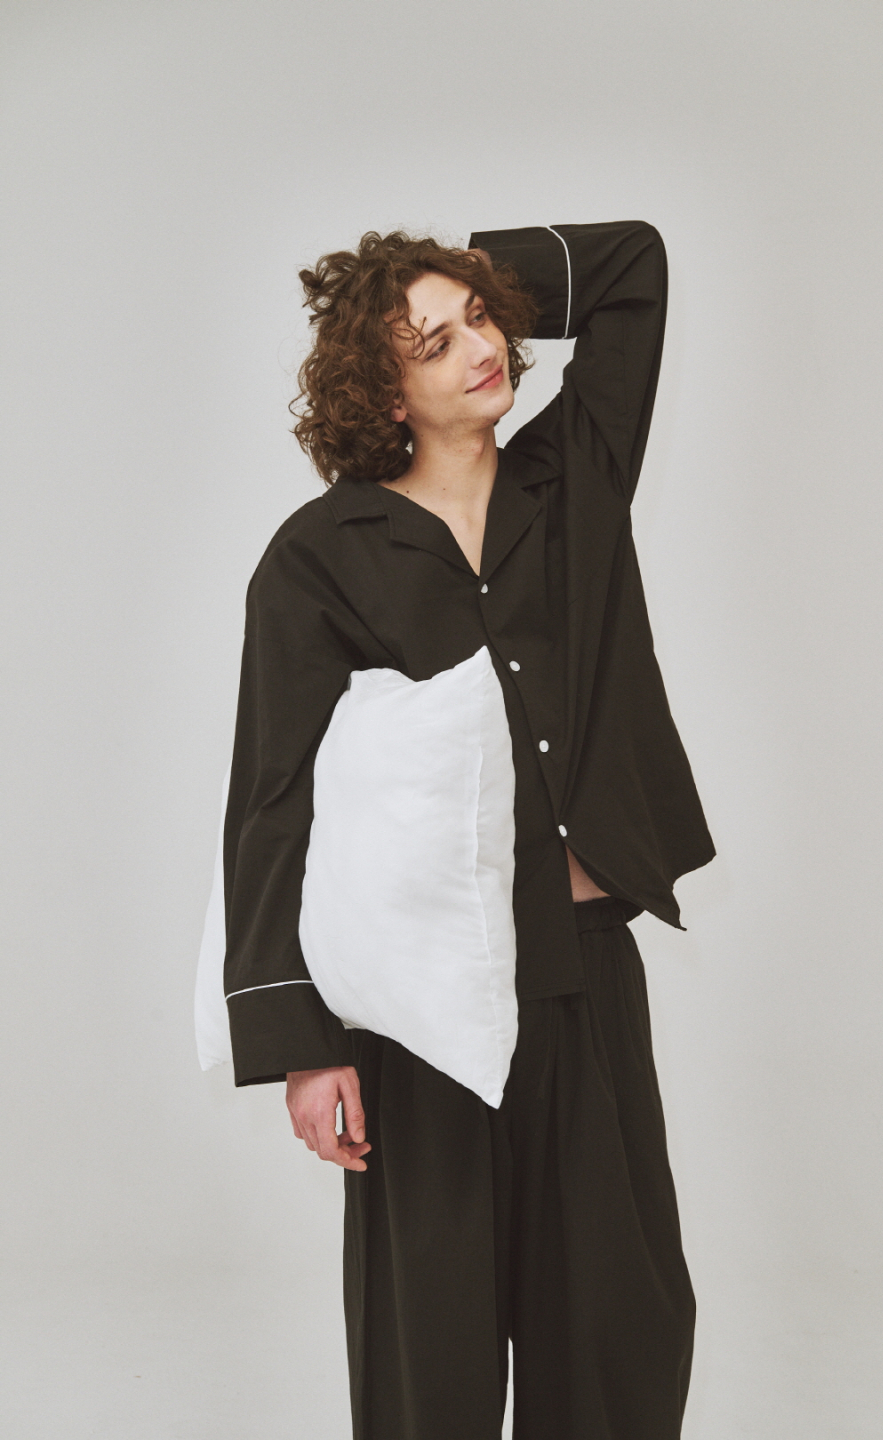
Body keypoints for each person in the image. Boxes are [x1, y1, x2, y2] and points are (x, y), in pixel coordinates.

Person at [219, 221, 716, 1439]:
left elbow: (632, 268)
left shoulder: (575, 474)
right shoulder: (318, 559)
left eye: (480, 319)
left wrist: (445, 274)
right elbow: (274, 799)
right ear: (383, 392)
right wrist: (302, 1046)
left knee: (618, 1332)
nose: (479, 348)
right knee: (428, 1356)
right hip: (420, 1003)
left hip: (585, 973)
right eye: (432, 345)